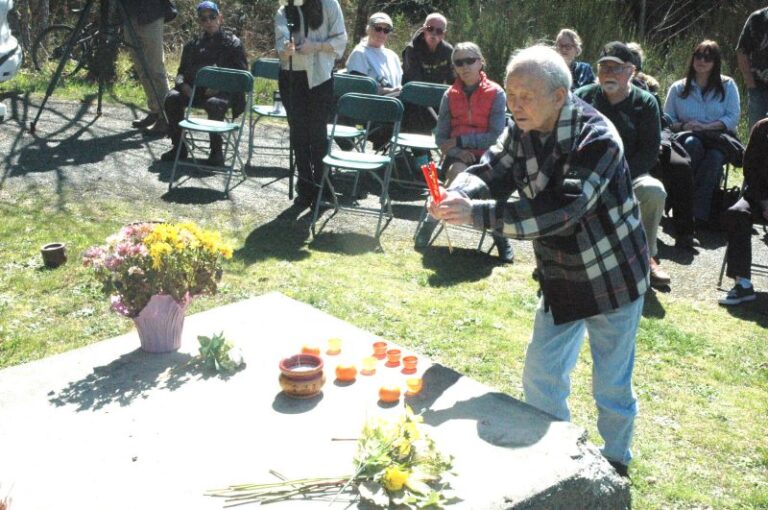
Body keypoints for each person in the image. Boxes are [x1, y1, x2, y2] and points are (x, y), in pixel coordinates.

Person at [428, 45, 648, 478]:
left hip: (612, 274)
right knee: (541, 372)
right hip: (560, 273)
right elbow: (493, 167)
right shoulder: (522, 127)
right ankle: (556, 453)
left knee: (611, 384)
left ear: (560, 96)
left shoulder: (598, 139)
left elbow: (559, 212)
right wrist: (461, 191)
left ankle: (617, 458)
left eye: (526, 95)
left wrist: (475, 215)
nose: (515, 104)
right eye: (510, 94)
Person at [575, 41, 670, 287]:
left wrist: (617, 175)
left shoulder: (646, 102)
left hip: (629, 175)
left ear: (631, 71)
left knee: (654, 192)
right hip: (587, 175)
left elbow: (650, 153)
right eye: (604, 67)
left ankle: (647, 256)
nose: (608, 73)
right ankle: (561, 257)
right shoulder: (582, 97)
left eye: (615, 68)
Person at [414, 41, 512, 262]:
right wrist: (458, 151)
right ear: (454, 67)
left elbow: (497, 135)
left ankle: (501, 239)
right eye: (459, 62)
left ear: (481, 62)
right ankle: (429, 225)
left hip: (489, 156)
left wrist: (461, 140)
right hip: (458, 156)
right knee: (456, 177)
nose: (465, 66)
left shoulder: (496, 93)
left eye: (470, 60)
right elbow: (441, 138)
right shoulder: (449, 95)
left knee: (490, 187)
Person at [275, 0, 347, 207]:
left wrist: (315, 46)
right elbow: (280, 45)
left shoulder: (329, 5)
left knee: (317, 133)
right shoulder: (284, 9)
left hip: (320, 77)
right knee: (298, 132)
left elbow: (340, 39)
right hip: (291, 77)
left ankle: (324, 187)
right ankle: (305, 185)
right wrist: (286, 49)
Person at [664, 40, 741, 228]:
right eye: (698, 56)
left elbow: (732, 117)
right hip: (686, 137)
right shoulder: (678, 88)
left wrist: (708, 127)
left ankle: (696, 214)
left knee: (715, 157)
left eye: (708, 57)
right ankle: (685, 207)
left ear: (716, 62)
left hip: (717, 139)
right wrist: (685, 125)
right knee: (692, 144)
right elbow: (667, 120)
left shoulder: (728, 85)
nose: (702, 61)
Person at [160, 1, 247, 166]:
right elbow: (180, 74)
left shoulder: (233, 43)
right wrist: (183, 86)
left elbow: (242, 76)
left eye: (212, 17)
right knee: (171, 98)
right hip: (193, 92)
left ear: (220, 18)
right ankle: (179, 148)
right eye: (203, 19)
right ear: (199, 22)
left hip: (223, 93)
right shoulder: (192, 45)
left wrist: (219, 87)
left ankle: (216, 152)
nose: (208, 22)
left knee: (214, 104)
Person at [719, 117, 768, 306]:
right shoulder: (762, 128)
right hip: (759, 195)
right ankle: (743, 284)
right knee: (737, 213)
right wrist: (764, 203)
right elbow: (750, 171)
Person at [345, 12, 402, 150]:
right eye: (378, 28)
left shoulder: (392, 56)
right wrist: (388, 91)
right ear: (368, 29)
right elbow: (358, 90)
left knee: (421, 120)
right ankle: (427, 168)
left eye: (386, 30)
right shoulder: (360, 53)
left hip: (395, 109)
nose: (381, 33)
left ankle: (425, 166)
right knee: (417, 123)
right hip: (370, 114)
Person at [122, 0, 171, 135]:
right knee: (141, 68)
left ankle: (166, 117)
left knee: (155, 69)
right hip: (130, 14)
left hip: (151, 13)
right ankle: (155, 110)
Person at [401, 12, 454, 133]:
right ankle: (421, 151)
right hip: (413, 98)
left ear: (444, 34)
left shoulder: (448, 51)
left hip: (436, 97)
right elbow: (415, 82)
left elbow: (453, 80)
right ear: (424, 29)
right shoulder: (412, 49)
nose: (434, 33)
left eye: (439, 31)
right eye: (430, 29)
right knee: (418, 110)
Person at [736, 7, 768, 131]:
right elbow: (742, 52)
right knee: (756, 132)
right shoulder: (757, 19)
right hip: (758, 88)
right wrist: (751, 85)